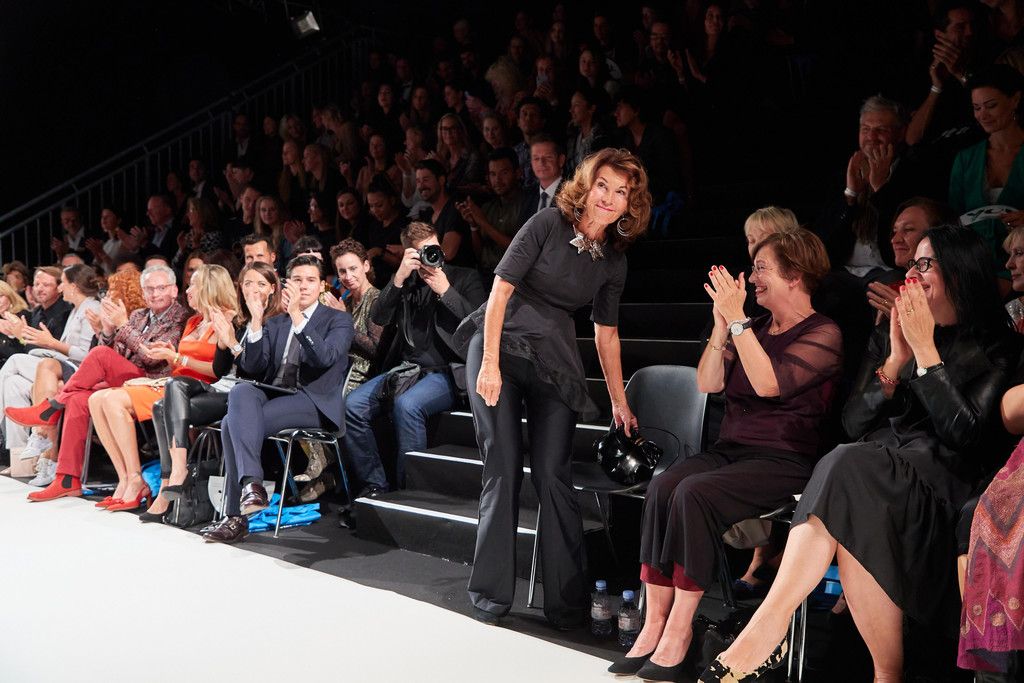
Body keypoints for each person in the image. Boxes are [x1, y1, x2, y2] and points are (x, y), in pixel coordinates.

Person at [702, 226, 1021, 682]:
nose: (912, 274)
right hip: (879, 472)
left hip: (944, 483)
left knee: (846, 465)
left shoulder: (998, 343)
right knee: (850, 478)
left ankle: (766, 631)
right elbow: (852, 422)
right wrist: (894, 361)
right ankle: (882, 673)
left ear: (959, 270)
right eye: (912, 264)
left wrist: (926, 352)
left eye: (924, 264)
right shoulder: (890, 333)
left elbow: (966, 437)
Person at [611, 229, 842, 680]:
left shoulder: (824, 332)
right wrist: (722, 327)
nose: (752, 279)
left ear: (795, 276)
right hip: (732, 449)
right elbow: (708, 382)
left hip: (784, 460)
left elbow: (769, 384)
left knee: (694, 493)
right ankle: (653, 623)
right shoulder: (753, 328)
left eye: (761, 269)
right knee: (663, 487)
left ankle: (679, 631)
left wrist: (738, 322)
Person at [460, 148, 652, 629]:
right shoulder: (547, 223)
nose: (609, 198)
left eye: (621, 192)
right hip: (501, 347)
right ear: (586, 185)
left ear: (630, 204)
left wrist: (619, 401)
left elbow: (606, 334)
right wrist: (489, 363)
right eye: (603, 185)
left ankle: (566, 604)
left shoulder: (613, 262)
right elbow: (501, 289)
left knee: (553, 476)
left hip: (555, 361)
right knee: (504, 466)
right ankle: (490, 594)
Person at [200, 255, 353, 544]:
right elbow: (253, 368)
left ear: (322, 285)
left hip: (313, 401)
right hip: (276, 394)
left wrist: (298, 317)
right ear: (287, 284)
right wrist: (257, 321)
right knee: (241, 392)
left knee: (232, 423)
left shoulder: (338, 320)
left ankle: (237, 514)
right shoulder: (276, 323)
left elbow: (324, 358)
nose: (303, 286)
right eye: (297, 280)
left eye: (310, 280)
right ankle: (251, 488)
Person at [8, 265, 190, 502]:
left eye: (161, 288)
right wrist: (107, 331)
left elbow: (151, 357)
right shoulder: (139, 315)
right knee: (78, 398)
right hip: (127, 379)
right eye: (150, 289)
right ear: (143, 292)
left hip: (153, 382)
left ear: (174, 290)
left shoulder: (180, 317)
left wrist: (122, 326)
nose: (155, 294)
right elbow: (116, 353)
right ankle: (67, 479)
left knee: (99, 355)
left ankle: (51, 407)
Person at [343, 222, 486, 495]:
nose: (430, 256)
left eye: (433, 248)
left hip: (447, 372)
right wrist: (398, 278)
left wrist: (446, 291)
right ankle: (374, 485)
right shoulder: (406, 284)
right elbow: (379, 317)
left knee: (407, 406)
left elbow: (480, 324)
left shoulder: (464, 277)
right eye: (421, 252)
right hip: (407, 370)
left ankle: (409, 492)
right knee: (352, 405)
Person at [86, 265, 238, 513]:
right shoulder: (193, 321)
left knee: (115, 399)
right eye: (149, 289)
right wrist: (170, 356)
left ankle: (142, 479)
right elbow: (173, 363)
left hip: (201, 388)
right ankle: (128, 479)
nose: (188, 291)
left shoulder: (219, 320)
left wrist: (175, 358)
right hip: (174, 383)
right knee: (96, 399)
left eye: (192, 285)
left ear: (208, 288)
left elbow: (217, 370)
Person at [145, 262, 283, 523]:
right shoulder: (238, 320)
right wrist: (223, 343)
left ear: (273, 288)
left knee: (164, 407)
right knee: (166, 396)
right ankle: (173, 474)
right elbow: (220, 370)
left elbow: (257, 371)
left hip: (245, 395)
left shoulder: (276, 321)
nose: (253, 290)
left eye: (261, 284)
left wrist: (231, 341)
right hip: (221, 386)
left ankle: (174, 480)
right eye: (248, 284)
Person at [0, 265, 102, 486]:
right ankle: (23, 462)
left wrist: (49, 343)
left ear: (73, 286)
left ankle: (40, 439)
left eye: (61, 282)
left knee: (15, 361)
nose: (60, 287)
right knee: (13, 383)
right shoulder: (75, 310)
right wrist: (40, 342)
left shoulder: (91, 309)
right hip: (61, 367)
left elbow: (88, 356)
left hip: (79, 372)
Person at [950, 66, 1024, 279]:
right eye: (977, 108)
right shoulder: (965, 159)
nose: (983, 115)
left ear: (1015, 100)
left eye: (991, 106)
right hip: (974, 266)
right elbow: (953, 218)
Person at [457, 147, 527, 283]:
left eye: (504, 173)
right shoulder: (488, 207)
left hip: (513, 280)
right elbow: (479, 254)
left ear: (518, 173)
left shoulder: (528, 205)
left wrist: (482, 222)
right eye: (493, 174)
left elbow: (518, 248)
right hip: (485, 275)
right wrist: (473, 226)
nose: (497, 180)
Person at [325, 239, 382, 395]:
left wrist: (345, 320)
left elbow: (375, 349)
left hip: (363, 378)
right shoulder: (346, 302)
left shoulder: (376, 300)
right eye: (342, 271)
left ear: (366, 266)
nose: (348, 276)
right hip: (339, 371)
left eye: (353, 268)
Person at [0, 267, 73, 365]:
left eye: (46, 285)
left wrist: (21, 337)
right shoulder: (36, 312)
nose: (40, 289)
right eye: (36, 284)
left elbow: (51, 353)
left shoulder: (66, 313)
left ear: (59, 287)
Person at [414, 159, 474, 267]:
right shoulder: (427, 215)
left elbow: (448, 252)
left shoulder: (455, 208)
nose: (421, 186)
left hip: (461, 275)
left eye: (426, 180)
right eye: (418, 181)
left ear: (441, 180)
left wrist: (414, 250)